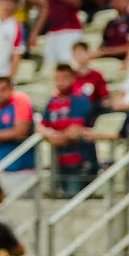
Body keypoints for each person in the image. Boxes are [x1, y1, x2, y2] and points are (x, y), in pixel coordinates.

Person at [38, 64, 96, 197]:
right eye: (57, 78)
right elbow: (40, 126)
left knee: (74, 199)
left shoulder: (80, 99)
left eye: (64, 78)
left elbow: (75, 131)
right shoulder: (53, 101)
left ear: (72, 79)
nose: (60, 82)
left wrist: (55, 136)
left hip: (80, 162)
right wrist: (50, 134)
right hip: (59, 160)